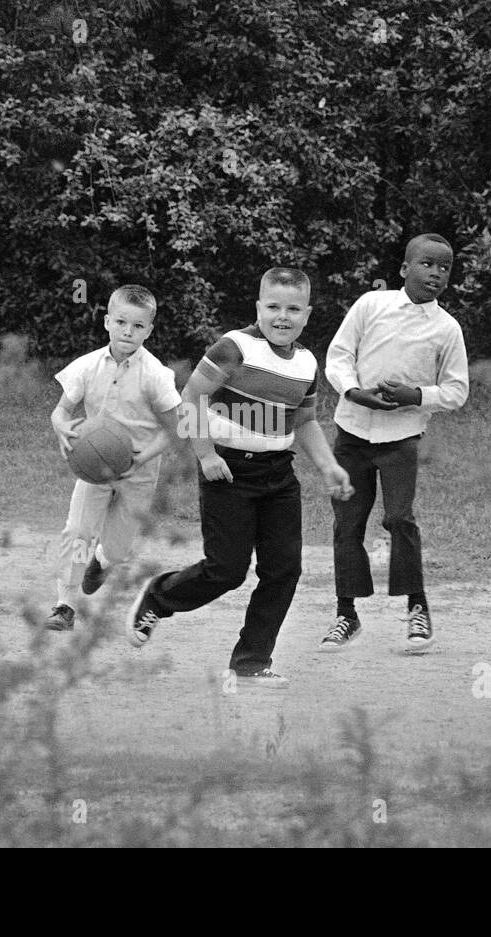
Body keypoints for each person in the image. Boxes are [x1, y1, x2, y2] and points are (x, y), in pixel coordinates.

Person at [123, 267, 353, 688]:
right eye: (273, 307)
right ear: (258, 307)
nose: (282, 317)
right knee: (225, 571)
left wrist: (328, 466)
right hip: (227, 468)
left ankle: (251, 660)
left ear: (307, 314)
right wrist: (206, 454)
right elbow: (191, 398)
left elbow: (304, 422)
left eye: (293, 309)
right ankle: (159, 596)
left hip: (278, 475)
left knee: (284, 570)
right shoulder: (235, 346)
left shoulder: (305, 363)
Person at [320, 233, 469, 654]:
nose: (436, 273)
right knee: (347, 523)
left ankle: (417, 609)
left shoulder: (446, 328)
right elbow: (338, 356)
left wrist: (416, 396)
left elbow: (457, 391)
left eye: (444, 268)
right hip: (351, 432)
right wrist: (353, 392)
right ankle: (345, 614)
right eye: (426, 263)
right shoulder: (371, 305)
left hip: (401, 439)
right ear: (404, 268)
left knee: (400, 519)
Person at [45, 285, 182, 630]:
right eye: (121, 322)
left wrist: (141, 458)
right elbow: (60, 412)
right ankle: (65, 605)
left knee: (118, 550)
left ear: (149, 331)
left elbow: (175, 429)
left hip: (139, 470)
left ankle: (103, 562)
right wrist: (62, 427)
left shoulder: (156, 376)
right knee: (78, 531)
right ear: (107, 322)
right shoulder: (88, 366)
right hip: (94, 468)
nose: (127, 331)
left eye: (138, 326)